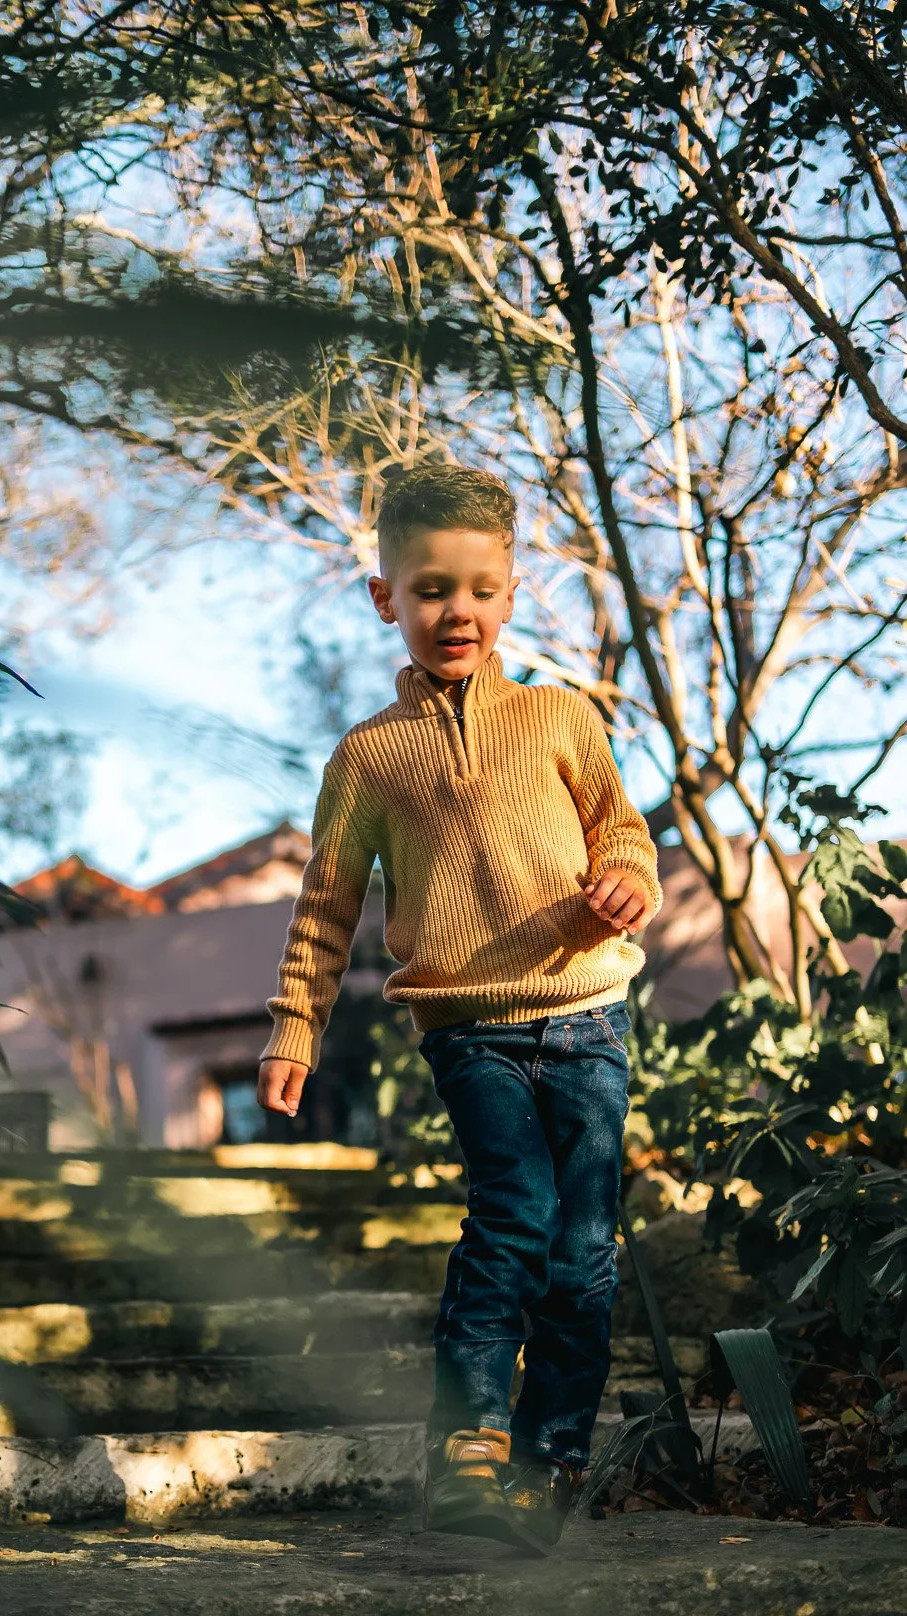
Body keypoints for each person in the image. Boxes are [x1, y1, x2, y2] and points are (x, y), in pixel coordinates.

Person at [256, 461, 660, 1552]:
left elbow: (623, 830)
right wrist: (296, 1023)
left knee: (582, 1250)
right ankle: (468, 1445)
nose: (458, 611)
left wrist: (630, 880)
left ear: (512, 593)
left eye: (480, 589)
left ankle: (552, 1454)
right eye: (431, 588)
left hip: (588, 1018)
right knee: (512, 1216)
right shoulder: (369, 759)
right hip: (468, 1026)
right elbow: (326, 907)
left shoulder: (561, 718)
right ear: (386, 596)